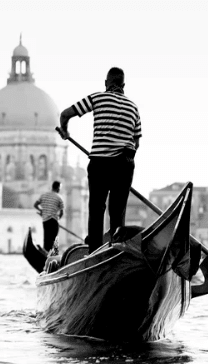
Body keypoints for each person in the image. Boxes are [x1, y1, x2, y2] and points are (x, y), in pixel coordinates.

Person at [58, 67, 142, 253]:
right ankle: (117, 250)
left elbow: (65, 114)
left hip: (100, 163)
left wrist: (65, 131)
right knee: (117, 213)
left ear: (106, 83)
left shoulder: (97, 98)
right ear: (124, 85)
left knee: (96, 209)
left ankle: (94, 251)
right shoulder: (133, 107)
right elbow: (136, 142)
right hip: (125, 164)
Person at [34, 181, 64, 252]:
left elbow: (35, 205)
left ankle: (45, 254)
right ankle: (53, 256)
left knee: (46, 240)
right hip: (54, 221)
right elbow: (62, 213)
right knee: (54, 240)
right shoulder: (59, 197)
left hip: (45, 221)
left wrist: (41, 211)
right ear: (58, 188)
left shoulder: (44, 195)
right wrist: (58, 219)